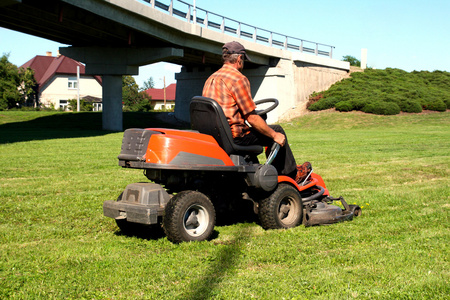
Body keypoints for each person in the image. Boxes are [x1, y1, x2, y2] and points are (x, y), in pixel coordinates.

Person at [202, 41, 311, 184]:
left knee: (263, 131)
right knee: (277, 131)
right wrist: (274, 135)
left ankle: (259, 169)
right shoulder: (238, 79)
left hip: (215, 136)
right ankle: (291, 175)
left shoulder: (211, 78)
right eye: (243, 60)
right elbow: (252, 118)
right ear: (239, 59)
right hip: (234, 137)